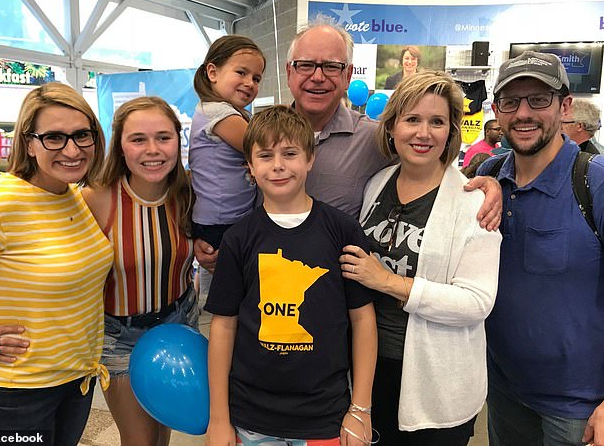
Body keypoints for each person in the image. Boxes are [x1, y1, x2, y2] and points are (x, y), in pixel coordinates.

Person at [195, 21, 502, 271]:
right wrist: (204, 236)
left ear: (348, 75)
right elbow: (208, 174)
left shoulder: (375, 140)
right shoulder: (261, 136)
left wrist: (483, 183)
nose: (318, 77)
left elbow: (430, 165)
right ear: (289, 72)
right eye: (306, 65)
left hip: (333, 305)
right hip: (257, 289)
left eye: (331, 66)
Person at [340, 71, 501, 445]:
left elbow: (477, 302)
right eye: (412, 119)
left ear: (451, 131)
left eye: (437, 122)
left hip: (435, 381)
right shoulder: (375, 184)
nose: (423, 133)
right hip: (369, 369)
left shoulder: (473, 202)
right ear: (393, 126)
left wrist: (387, 281)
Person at [205, 105, 377, 446]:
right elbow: (224, 326)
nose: (279, 165)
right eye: (265, 156)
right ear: (251, 167)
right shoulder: (239, 238)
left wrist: (361, 408)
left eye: (290, 153)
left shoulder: (342, 230)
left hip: (326, 415)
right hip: (251, 416)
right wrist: (219, 418)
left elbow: (362, 320)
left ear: (310, 158)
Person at [0, 82, 113, 445]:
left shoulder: (73, 197)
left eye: (83, 135)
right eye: (54, 137)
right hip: (13, 394)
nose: (72, 149)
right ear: (29, 143)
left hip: (75, 383)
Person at [476, 51, 604, 446]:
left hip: (578, 406)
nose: (523, 114)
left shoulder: (594, 183)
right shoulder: (488, 175)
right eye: (511, 102)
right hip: (504, 391)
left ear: (565, 107)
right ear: (497, 110)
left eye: (539, 100)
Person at [82, 96, 198, 446]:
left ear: (178, 140)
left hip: (180, 323)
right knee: (139, 441)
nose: (153, 150)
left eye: (163, 137)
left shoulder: (190, 192)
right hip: (119, 336)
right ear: (119, 145)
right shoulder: (95, 199)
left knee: (164, 433)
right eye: (138, 139)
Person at [189, 35, 265, 283]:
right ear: (212, 72)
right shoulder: (217, 112)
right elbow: (261, 146)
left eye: (256, 78)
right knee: (231, 288)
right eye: (241, 72)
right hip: (221, 222)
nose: (249, 83)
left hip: (228, 218)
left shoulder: (230, 112)